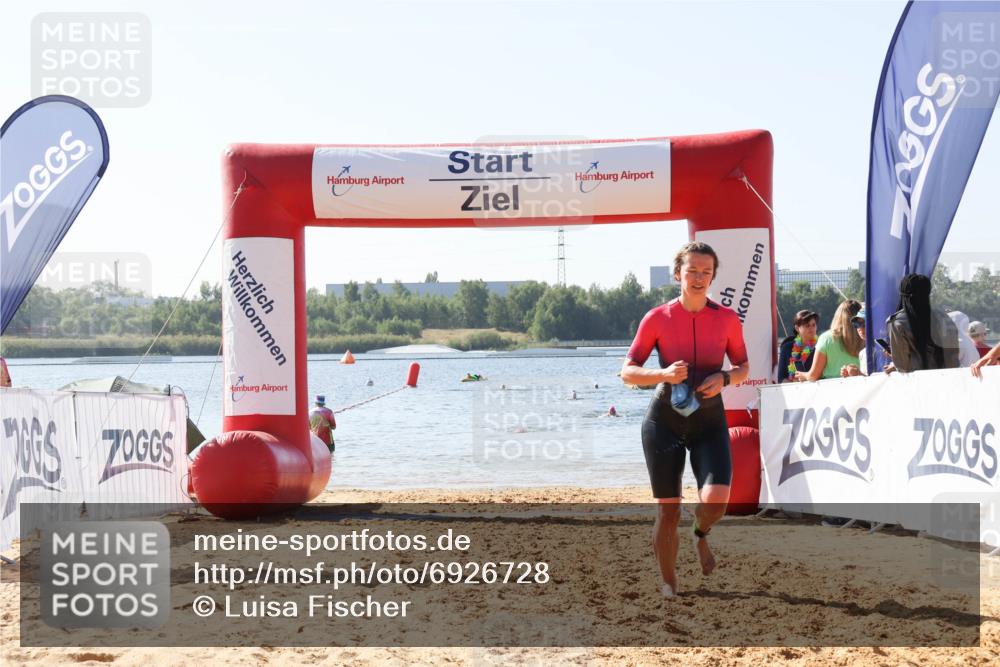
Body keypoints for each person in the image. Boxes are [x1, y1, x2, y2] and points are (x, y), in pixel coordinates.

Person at [620, 242, 750, 599]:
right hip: (664, 423)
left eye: (706, 272)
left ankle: (700, 535)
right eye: (692, 271)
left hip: (708, 422)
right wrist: (662, 373)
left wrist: (724, 378)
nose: (699, 278)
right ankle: (669, 583)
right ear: (678, 274)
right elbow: (627, 373)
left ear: (712, 277)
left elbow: (743, 368)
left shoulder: (725, 319)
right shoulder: (657, 318)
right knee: (668, 510)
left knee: (716, 501)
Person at [886, 274, 959, 373]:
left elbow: (903, 366)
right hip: (948, 380)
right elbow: (953, 358)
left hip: (917, 383)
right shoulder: (944, 318)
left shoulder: (897, 323)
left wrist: (895, 360)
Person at [795, 300, 863, 381]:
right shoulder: (865, 338)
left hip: (831, 390)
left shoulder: (826, 338)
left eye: (813, 325)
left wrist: (803, 375)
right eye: (807, 325)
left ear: (838, 316)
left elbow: (813, 376)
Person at [777, 310, 819, 382]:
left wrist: (806, 377)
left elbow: (824, 376)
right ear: (797, 328)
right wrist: (793, 384)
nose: (811, 328)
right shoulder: (786, 348)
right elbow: (781, 378)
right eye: (807, 325)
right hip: (792, 390)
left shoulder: (820, 347)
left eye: (813, 325)